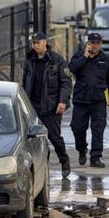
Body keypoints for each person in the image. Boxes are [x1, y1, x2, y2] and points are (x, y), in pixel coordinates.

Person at [22, 32, 72, 178]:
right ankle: (42, 167)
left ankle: (64, 161)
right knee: (34, 139)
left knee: (54, 138)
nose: (35, 45)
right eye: (33, 43)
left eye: (38, 42)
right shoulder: (29, 60)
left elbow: (66, 83)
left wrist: (63, 101)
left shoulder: (57, 60)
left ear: (45, 42)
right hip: (33, 107)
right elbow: (25, 82)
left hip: (51, 107)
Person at [69, 32, 109, 168]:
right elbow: (72, 69)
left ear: (101, 44)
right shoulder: (79, 56)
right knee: (77, 128)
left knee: (98, 129)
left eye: (97, 43)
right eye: (92, 43)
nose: (95, 46)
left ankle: (95, 157)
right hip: (81, 100)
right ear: (87, 43)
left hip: (98, 100)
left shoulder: (105, 59)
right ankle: (82, 149)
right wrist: (85, 57)